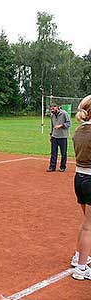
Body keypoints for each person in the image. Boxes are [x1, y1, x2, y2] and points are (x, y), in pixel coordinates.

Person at [71, 95, 91, 280]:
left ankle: (79, 256)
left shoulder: (78, 131)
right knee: (89, 225)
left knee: (87, 222)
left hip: (79, 177)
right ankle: (82, 268)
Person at [46, 104, 71, 172]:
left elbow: (69, 123)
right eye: (51, 109)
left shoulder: (64, 113)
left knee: (63, 153)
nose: (52, 110)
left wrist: (61, 125)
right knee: (53, 152)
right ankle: (52, 167)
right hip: (54, 136)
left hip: (63, 136)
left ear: (57, 107)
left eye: (53, 109)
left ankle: (63, 167)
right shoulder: (52, 115)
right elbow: (52, 126)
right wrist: (51, 135)